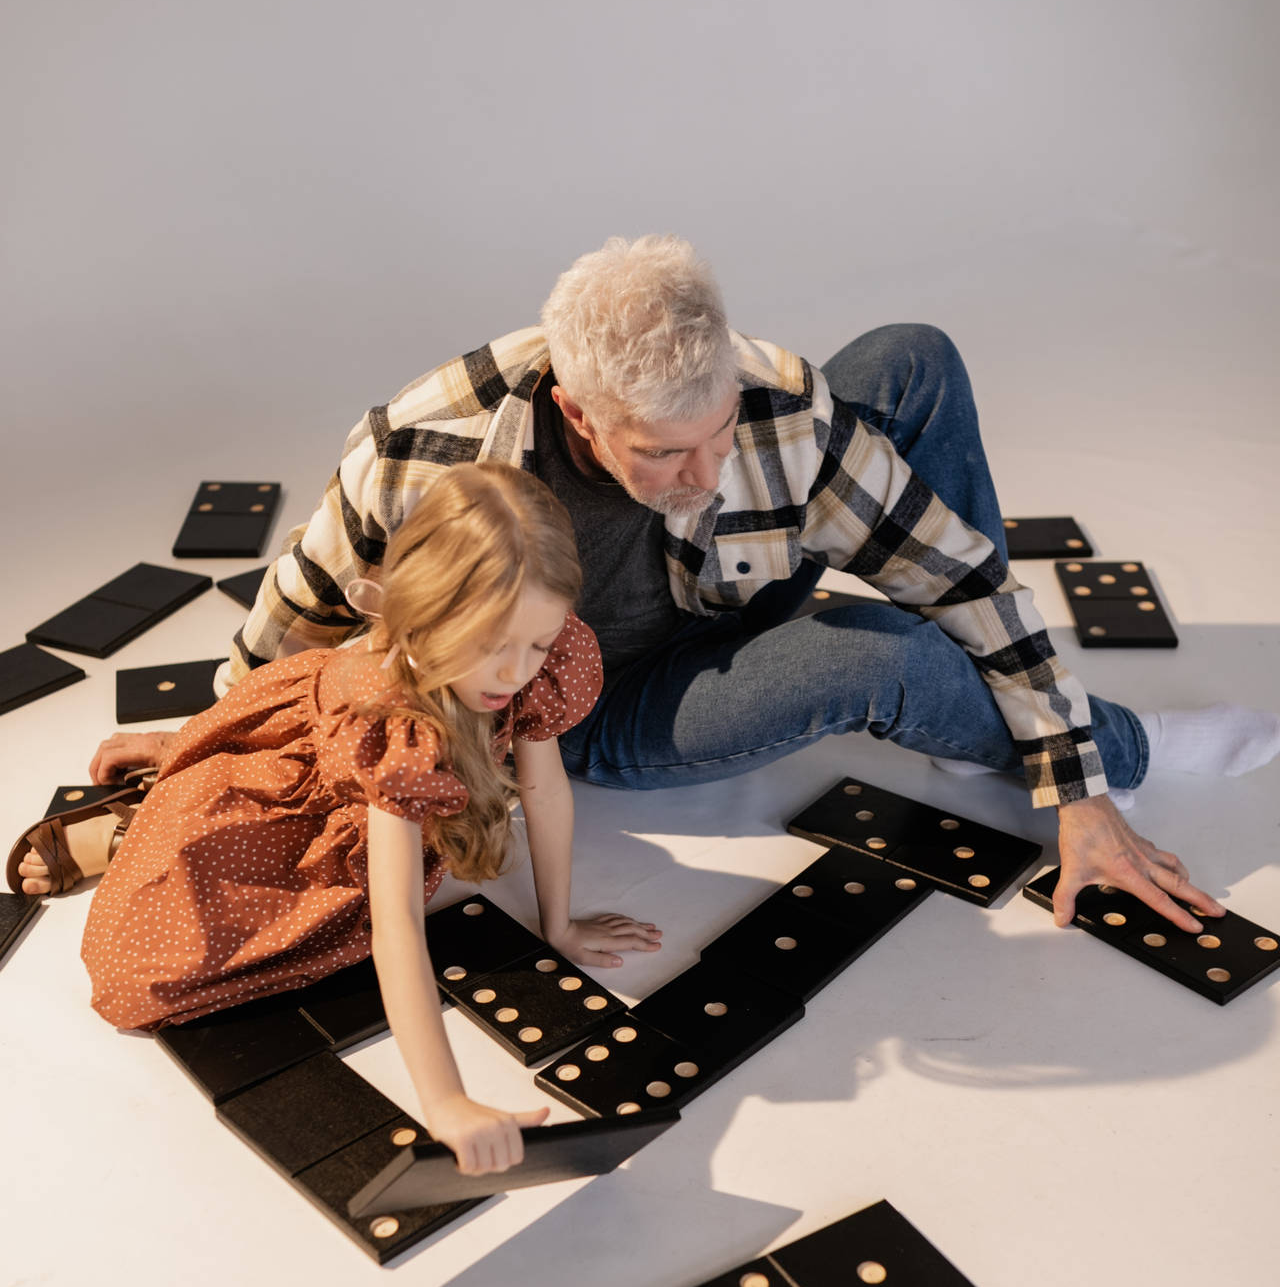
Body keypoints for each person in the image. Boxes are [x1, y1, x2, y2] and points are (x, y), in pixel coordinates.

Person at [38, 236, 1280, 930]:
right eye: (658, 451)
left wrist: (1061, 789)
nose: (703, 469)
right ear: (578, 409)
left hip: (739, 597)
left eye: (718, 429)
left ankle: (1016, 733)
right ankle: (1095, 737)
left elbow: (969, 582)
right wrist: (209, 730)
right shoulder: (426, 446)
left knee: (910, 359)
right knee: (889, 660)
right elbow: (304, 599)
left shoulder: (767, 409)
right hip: (604, 705)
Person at [74, 463, 660, 1174]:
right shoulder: (395, 724)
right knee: (145, 973)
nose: (514, 674)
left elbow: (545, 788)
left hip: (356, 785)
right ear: (430, 617)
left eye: (535, 644)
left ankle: (160, 792)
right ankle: (142, 820)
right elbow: (397, 929)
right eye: (491, 645)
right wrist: (445, 1102)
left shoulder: (544, 651)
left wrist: (559, 923)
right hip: (270, 814)